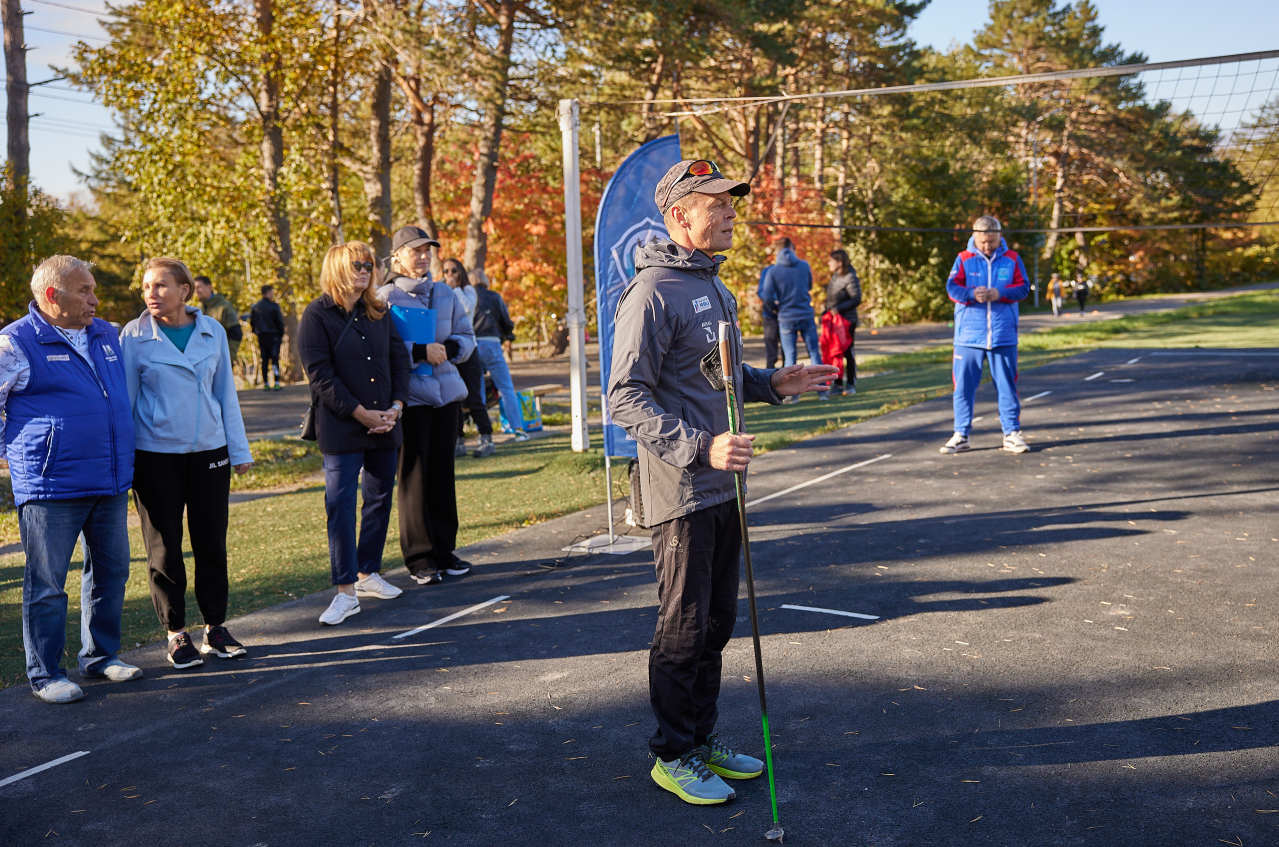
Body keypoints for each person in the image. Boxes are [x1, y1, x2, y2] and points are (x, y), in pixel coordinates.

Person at [608, 159, 838, 806]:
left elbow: (715, 376)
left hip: (722, 486)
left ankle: (701, 737)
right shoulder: (652, 291)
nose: (732, 210)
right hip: (679, 489)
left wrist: (772, 384)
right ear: (679, 215)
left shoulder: (713, 286)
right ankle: (673, 752)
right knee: (681, 627)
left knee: (714, 623)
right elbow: (623, 396)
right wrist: (700, 445)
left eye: (730, 201)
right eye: (717, 202)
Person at [1, 255, 142, 703]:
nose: (94, 299)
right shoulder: (16, 342)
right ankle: (46, 674)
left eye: (93, 289)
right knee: (46, 584)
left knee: (111, 572)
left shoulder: (106, 334)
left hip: (110, 478)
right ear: (50, 295)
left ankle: (101, 656)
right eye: (84, 291)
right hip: (50, 485)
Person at [121, 258, 254, 669]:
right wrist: (124, 463)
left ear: (185, 290)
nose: (151, 294)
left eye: (161, 285)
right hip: (154, 456)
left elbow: (225, 394)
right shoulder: (134, 336)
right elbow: (126, 404)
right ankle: (176, 634)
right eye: (146, 287)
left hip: (209, 454)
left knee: (212, 542)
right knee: (164, 548)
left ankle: (215, 627)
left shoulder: (212, 331)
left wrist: (240, 450)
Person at [298, 242, 410, 625]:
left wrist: (395, 407)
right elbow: (319, 376)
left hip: (385, 422)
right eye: (355, 265)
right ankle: (345, 590)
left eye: (367, 265)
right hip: (343, 426)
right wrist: (362, 414)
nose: (363, 271)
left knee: (379, 499)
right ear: (337, 269)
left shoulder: (380, 311)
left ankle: (368, 572)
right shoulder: (316, 314)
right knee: (340, 506)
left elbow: (400, 361)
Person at [380, 227, 477, 586]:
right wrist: (419, 352)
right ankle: (420, 558)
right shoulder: (385, 297)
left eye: (427, 250)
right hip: (413, 399)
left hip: (447, 396)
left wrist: (448, 350)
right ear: (398, 257)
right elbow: (381, 351)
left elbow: (466, 338)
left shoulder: (446, 294)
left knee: (442, 475)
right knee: (414, 477)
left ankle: (444, 550)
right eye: (415, 250)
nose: (423, 256)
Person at [940, 215, 1031, 455]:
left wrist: (998, 293)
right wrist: (971, 293)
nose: (987, 246)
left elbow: (1023, 287)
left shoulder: (1012, 259)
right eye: (983, 242)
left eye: (991, 241)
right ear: (974, 237)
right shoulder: (963, 258)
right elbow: (952, 287)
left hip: (1003, 334)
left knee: (1007, 386)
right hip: (968, 336)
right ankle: (961, 434)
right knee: (963, 388)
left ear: (999, 236)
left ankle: (1011, 433)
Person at [442, 257, 497, 458]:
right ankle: (458, 439)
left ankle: (486, 437)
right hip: (450, 349)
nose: (449, 275)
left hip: (469, 349)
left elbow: (466, 309)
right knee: (454, 398)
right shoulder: (441, 293)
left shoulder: (467, 291)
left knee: (473, 396)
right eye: (446, 271)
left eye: (453, 271)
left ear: (461, 272)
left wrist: (455, 288)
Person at [470, 269, 527, 441]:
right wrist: (507, 336)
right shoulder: (494, 297)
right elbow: (506, 321)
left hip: (472, 344)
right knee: (506, 388)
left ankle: (484, 433)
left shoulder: (467, 298)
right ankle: (518, 429)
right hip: (492, 343)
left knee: (477, 390)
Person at [824, 248, 862, 395]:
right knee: (836, 352)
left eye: (831, 261)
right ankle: (838, 384)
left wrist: (838, 308)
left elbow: (856, 298)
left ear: (839, 262)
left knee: (847, 352)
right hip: (835, 320)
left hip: (847, 321)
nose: (828, 263)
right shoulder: (835, 276)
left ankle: (851, 383)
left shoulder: (851, 277)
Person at [194, 275, 243, 361]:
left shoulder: (224, 307)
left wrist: (228, 357)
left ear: (209, 287)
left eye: (199, 287)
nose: (196, 291)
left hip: (221, 360)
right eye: (194, 288)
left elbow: (236, 333)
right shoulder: (198, 310)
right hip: (204, 360)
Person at [249, 284, 285, 390]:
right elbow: (279, 322)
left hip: (262, 336)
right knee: (274, 359)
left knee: (264, 359)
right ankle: (276, 381)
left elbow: (252, 322)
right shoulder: (274, 306)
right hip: (273, 336)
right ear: (268, 292)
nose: (273, 294)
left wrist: (256, 332)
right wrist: (281, 334)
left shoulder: (255, 307)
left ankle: (266, 383)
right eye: (272, 292)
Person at [754, 266, 779, 368]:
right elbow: (761, 291)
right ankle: (770, 373)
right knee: (770, 343)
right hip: (769, 313)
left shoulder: (791, 270)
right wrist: (772, 303)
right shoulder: (767, 271)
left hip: (785, 313)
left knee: (788, 350)